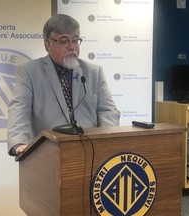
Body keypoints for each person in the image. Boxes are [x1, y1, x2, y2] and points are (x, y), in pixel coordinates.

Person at [7, 14, 120, 156]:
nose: (71, 47)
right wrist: (18, 142)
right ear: (47, 44)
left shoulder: (93, 72)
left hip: (92, 152)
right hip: (49, 153)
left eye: (75, 40)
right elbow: (19, 108)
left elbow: (108, 110)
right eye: (64, 41)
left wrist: (107, 140)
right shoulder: (29, 71)